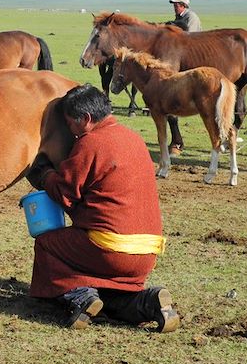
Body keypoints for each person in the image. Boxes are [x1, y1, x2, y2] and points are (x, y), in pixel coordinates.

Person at [26, 84, 180, 332]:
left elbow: (66, 194)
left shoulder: (91, 142)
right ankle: (148, 302)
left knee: (47, 244)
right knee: (112, 292)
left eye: (71, 124)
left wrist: (45, 175)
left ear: (86, 119)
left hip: (110, 248)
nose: (71, 132)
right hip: (147, 254)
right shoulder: (135, 139)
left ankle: (79, 295)